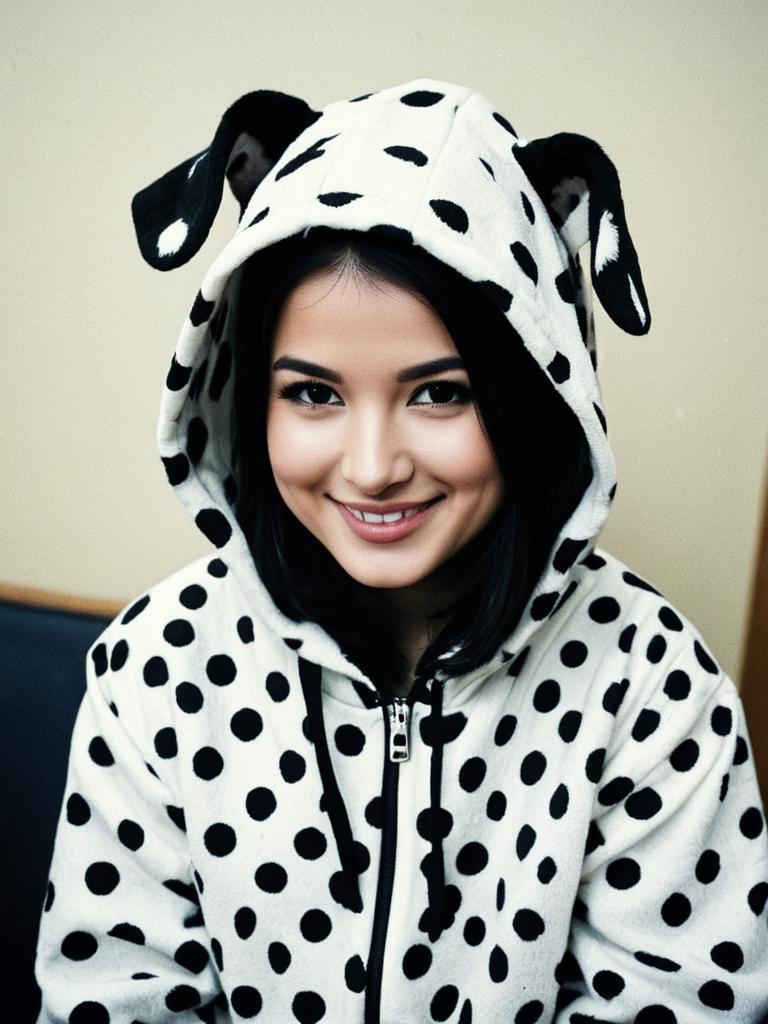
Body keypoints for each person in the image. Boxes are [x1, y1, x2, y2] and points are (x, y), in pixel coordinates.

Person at [35, 79, 768, 1023]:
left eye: (439, 394)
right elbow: (112, 995)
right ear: (247, 397)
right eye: (312, 394)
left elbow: (683, 1003)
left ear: (534, 397)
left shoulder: (652, 689)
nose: (373, 468)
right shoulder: (157, 670)